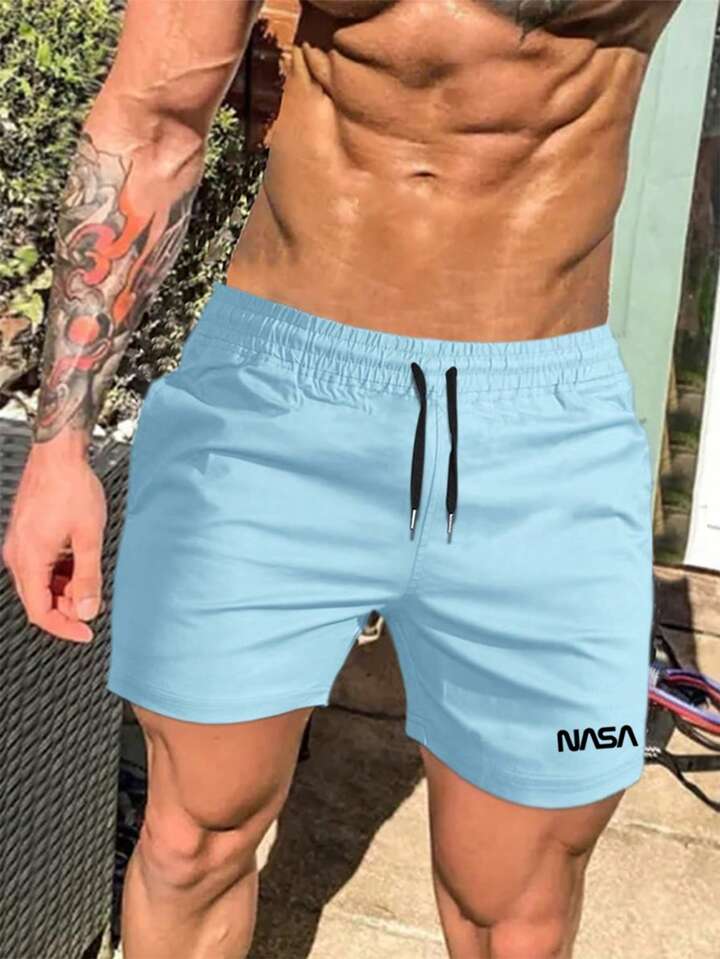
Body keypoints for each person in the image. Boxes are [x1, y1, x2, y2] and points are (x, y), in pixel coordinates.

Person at [2, 1, 682, 956]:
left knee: (518, 902)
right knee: (190, 839)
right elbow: (152, 123)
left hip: (545, 432)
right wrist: (60, 446)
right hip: (275, 403)